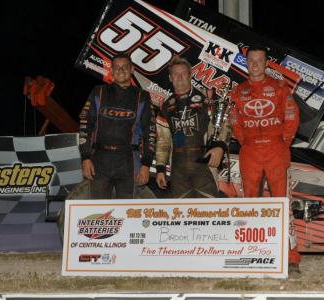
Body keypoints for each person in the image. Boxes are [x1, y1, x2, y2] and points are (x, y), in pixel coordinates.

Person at [230, 46, 301, 271]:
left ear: (266, 63)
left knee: (283, 204)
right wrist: (248, 142)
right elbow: (234, 123)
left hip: (275, 150)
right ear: (246, 62)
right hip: (250, 151)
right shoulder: (237, 91)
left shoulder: (279, 88)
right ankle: (254, 253)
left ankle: (291, 258)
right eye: (251, 60)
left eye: (259, 60)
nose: (255, 64)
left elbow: (291, 117)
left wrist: (281, 143)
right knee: (250, 203)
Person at [79, 52, 156, 199]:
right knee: (98, 210)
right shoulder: (98, 92)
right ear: (112, 71)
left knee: (127, 209)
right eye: (117, 67)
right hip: (99, 159)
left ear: (132, 69)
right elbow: (85, 126)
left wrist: (146, 164)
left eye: (125, 67)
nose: (121, 70)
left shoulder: (142, 96)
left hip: (129, 159)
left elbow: (150, 132)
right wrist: (85, 157)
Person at [155, 56, 231, 198]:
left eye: (183, 73)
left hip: (203, 165)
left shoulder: (206, 99)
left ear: (190, 75)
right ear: (170, 78)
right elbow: (162, 141)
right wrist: (160, 168)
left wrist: (220, 146)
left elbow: (225, 125)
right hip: (178, 167)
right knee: (182, 214)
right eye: (175, 74)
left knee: (208, 212)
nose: (180, 77)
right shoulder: (166, 105)